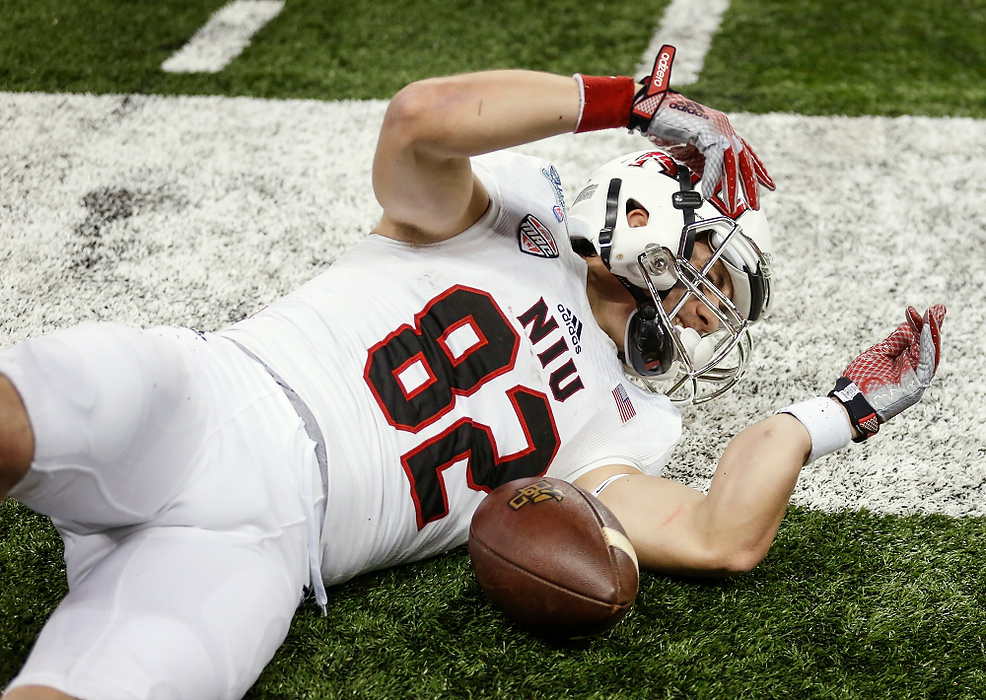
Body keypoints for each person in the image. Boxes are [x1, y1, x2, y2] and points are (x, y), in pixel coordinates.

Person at [0, 48, 944, 700]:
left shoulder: (634, 423)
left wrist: (841, 411)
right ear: (660, 208)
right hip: (216, 401)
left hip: (268, 553)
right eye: (713, 277)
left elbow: (717, 535)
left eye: (721, 307)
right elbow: (420, 121)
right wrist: (626, 99)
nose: (706, 317)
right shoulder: (514, 208)